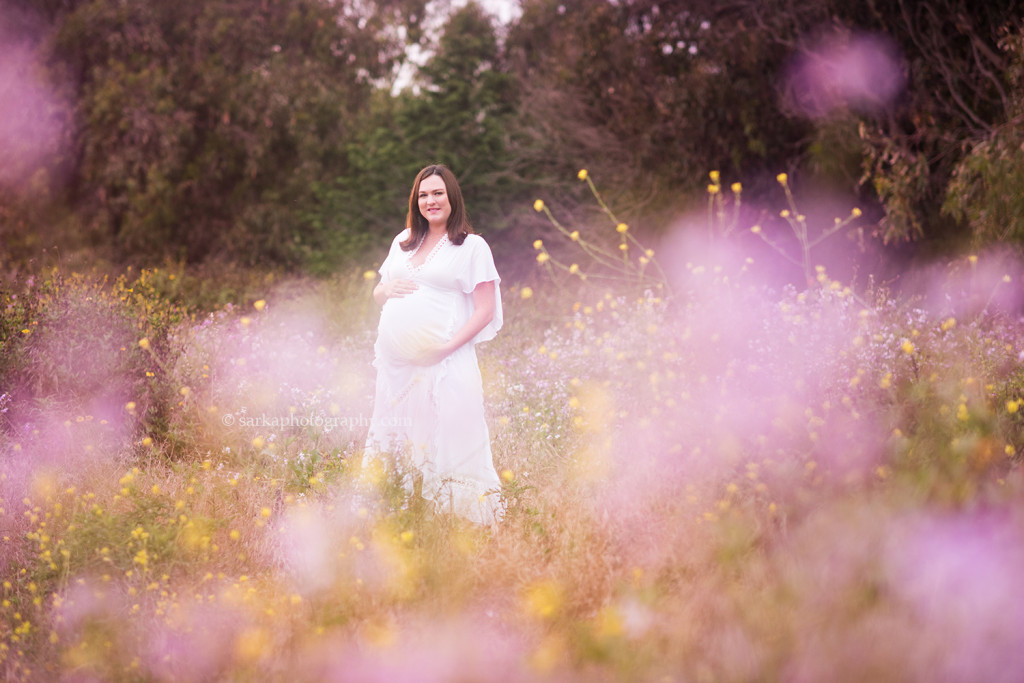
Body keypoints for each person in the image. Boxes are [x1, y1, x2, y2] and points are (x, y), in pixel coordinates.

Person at [364, 164, 503, 524]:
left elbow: (485, 311)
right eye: (423, 195)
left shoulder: (472, 247)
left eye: (438, 193)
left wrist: (443, 348)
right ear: (416, 201)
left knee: (450, 439)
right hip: (398, 370)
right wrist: (384, 291)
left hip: (446, 364)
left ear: (452, 197)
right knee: (401, 438)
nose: (431, 201)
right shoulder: (403, 240)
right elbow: (380, 291)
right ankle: (401, 517)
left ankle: (460, 523)